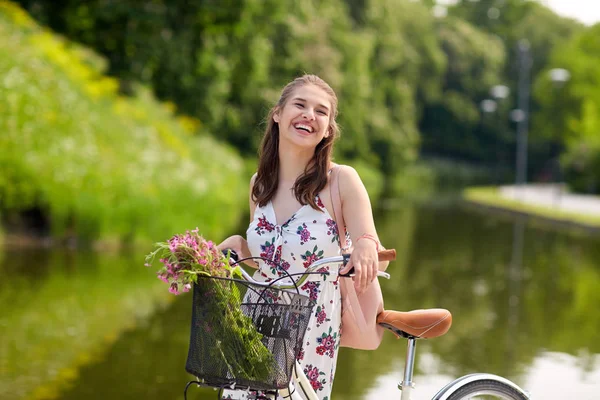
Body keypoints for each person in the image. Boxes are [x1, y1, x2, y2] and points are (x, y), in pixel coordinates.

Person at [218, 74, 388, 400]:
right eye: (300, 104)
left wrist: (365, 246)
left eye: (321, 111)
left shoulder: (340, 180)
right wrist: (242, 246)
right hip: (258, 314)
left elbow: (367, 235)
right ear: (278, 114)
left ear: (328, 129)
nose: (309, 114)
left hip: (312, 321)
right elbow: (269, 253)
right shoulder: (259, 185)